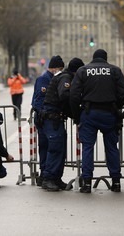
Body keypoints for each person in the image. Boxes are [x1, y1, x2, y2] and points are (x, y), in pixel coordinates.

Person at [69, 49, 124, 193]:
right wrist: (117, 107)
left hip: (89, 113)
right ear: (106, 58)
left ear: (93, 58)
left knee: (88, 147)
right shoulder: (114, 70)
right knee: (111, 148)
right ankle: (116, 182)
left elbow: (74, 95)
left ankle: (87, 182)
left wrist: (77, 114)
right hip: (109, 113)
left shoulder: (83, 71)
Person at [39, 57, 84, 191]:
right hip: (52, 118)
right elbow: (64, 96)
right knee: (55, 149)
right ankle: (48, 179)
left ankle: (56, 179)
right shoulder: (66, 78)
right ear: (76, 71)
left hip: (54, 118)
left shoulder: (64, 76)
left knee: (60, 149)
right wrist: (76, 107)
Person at [31, 55, 64, 187]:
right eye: (61, 68)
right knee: (48, 147)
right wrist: (43, 114)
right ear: (55, 68)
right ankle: (45, 176)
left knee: (48, 147)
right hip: (45, 119)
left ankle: (49, 176)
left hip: (47, 118)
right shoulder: (44, 79)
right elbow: (38, 101)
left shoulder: (53, 78)